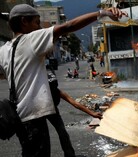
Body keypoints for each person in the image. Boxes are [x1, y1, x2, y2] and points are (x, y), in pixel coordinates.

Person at [0, 4, 127, 157]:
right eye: (36, 22)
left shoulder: (4, 49)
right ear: (24, 22)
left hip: (20, 117)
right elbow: (68, 26)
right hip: (33, 118)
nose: (39, 27)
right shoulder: (30, 39)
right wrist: (102, 13)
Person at [46, 65, 102, 157]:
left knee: (62, 132)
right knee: (44, 137)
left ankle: (69, 155)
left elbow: (75, 104)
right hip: (37, 111)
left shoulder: (57, 92)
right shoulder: (42, 95)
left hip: (52, 110)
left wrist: (92, 113)